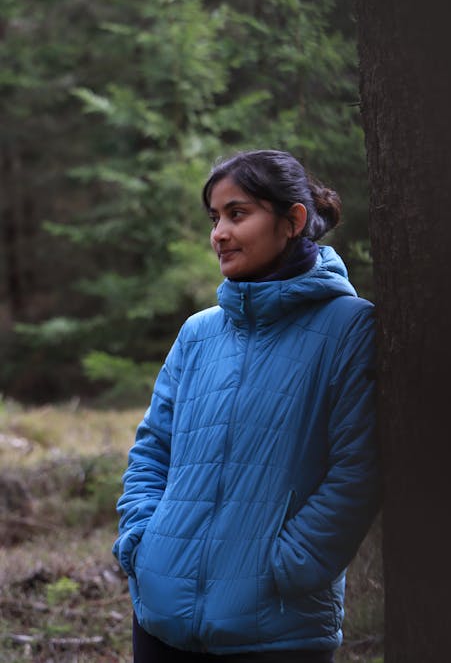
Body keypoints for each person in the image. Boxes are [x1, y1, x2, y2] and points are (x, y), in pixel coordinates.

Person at [113, 149, 380, 662]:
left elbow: (359, 470)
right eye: (215, 218)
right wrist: (142, 542)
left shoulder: (349, 326)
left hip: (278, 628)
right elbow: (152, 450)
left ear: (292, 221)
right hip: (162, 615)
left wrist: (288, 566)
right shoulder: (198, 333)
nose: (219, 233)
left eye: (238, 214)